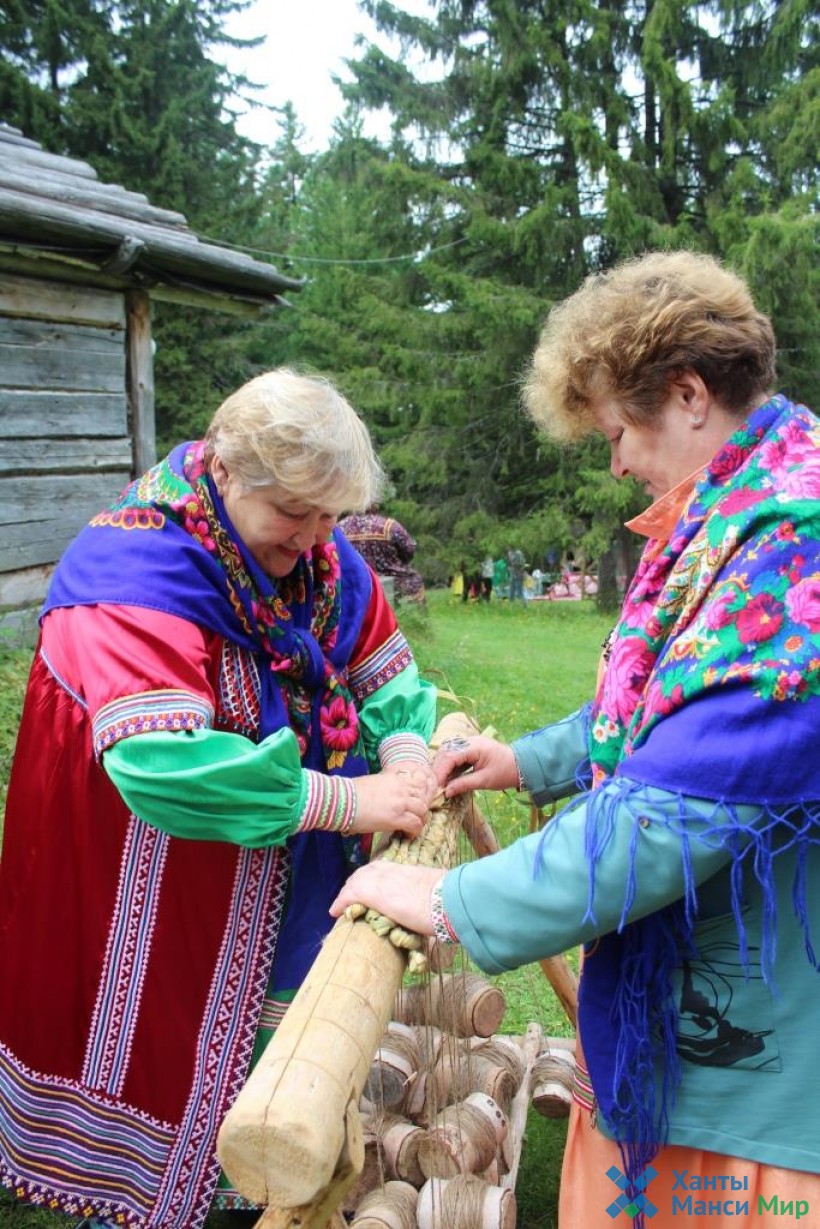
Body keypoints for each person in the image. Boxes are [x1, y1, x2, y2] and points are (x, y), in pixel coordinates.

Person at [332, 252, 820, 1226]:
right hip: (684, 1011)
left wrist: (447, 895)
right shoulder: (730, 516)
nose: (616, 462)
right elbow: (665, 709)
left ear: (686, 394)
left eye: (618, 430)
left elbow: (668, 817)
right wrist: (531, 760)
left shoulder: (792, 555)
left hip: (753, 1082)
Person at [0, 368, 438, 1229]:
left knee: (276, 1015)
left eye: (329, 518)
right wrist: (357, 805)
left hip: (279, 842)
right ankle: (135, 1192)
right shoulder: (133, 568)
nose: (315, 539)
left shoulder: (309, 543)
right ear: (228, 472)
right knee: (155, 1030)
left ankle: (260, 1175)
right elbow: (166, 768)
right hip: (147, 858)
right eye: (295, 515)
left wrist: (408, 753)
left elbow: (382, 655)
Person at [338, 505, 425, 603]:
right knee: (414, 581)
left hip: (353, 582)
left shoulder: (339, 528)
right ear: (375, 505)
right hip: (396, 581)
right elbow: (409, 550)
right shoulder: (388, 526)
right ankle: (416, 615)